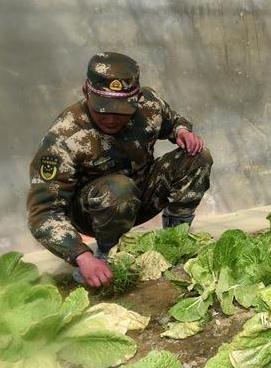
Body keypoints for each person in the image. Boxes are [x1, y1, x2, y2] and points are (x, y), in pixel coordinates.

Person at [27, 52, 212, 288]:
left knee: (196, 157)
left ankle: (176, 240)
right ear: (87, 92)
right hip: (96, 212)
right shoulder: (64, 137)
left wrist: (182, 132)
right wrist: (82, 256)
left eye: (122, 111)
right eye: (103, 109)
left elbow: (172, 121)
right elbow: (43, 213)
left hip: (140, 194)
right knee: (118, 189)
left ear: (136, 98)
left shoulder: (148, 103)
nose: (112, 119)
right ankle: (104, 255)